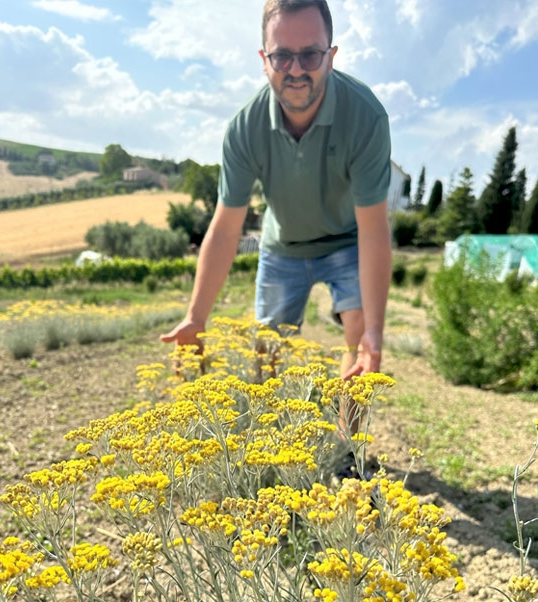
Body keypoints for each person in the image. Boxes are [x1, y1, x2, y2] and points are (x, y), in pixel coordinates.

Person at [161, 0, 392, 378]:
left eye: (311, 55)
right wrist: (195, 317)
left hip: (347, 240)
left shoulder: (366, 117)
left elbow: (374, 229)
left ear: (331, 57)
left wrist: (374, 331)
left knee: (359, 336)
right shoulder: (243, 128)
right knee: (266, 357)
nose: (296, 70)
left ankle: (347, 434)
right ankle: (276, 435)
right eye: (282, 56)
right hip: (281, 247)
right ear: (264, 59)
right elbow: (225, 228)